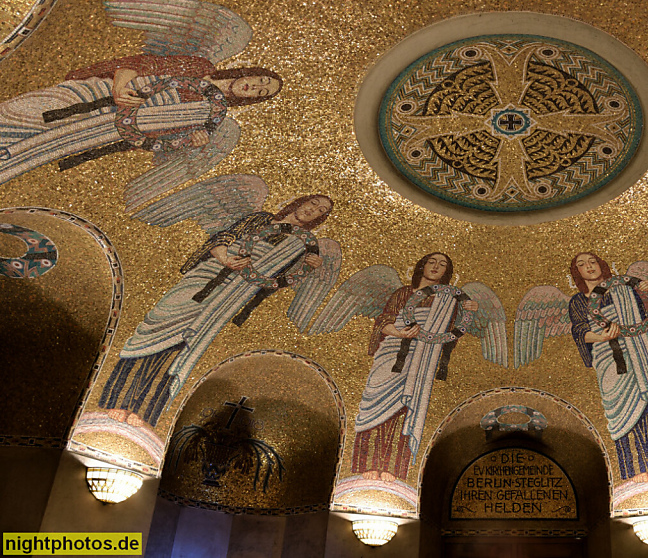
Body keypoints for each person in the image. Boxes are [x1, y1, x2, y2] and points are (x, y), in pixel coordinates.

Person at [98, 195, 332, 429]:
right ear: (301, 202)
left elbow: (273, 283)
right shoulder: (261, 220)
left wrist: (306, 266)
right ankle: (117, 400)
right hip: (205, 279)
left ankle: (146, 411)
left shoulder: (300, 245)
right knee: (152, 330)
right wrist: (226, 259)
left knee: (185, 347)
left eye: (321, 211)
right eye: (313, 203)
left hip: (229, 299)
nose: (313, 210)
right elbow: (221, 239)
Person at [0, 54, 281, 185]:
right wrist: (121, 85)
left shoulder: (210, 116)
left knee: (43, 143)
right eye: (260, 80)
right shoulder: (200, 67)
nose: (256, 86)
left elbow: (155, 141)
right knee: (26, 112)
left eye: (262, 92)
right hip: (101, 93)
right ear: (249, 72)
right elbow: (144, 63)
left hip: (105, 129)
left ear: (252, 99)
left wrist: (191, 141)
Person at [352, 253, 478, 481]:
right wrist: (400, 333)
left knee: (406, 406)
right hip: (391, 353)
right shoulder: (403, 293)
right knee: (374, 404)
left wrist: (466, 310)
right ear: (422, 266)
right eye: (432, 262)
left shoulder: (448, 301)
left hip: (422, 359)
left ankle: (392, 468)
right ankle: (368, 464)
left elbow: (451, 334)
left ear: (446, 274)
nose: (436, 267)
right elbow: (384, 321)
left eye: (442, 265)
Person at [568, 252, 648, 484]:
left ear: (601, 265)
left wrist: (647, 291)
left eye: (592, 262)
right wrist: (600, 337)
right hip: (607, 357)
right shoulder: (578, 301)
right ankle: (633, 470)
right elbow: (579, 331)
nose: (589, 267)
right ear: (577, 273)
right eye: (582, 265)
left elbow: (647, 317)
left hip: (639, 351)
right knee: (620, 410)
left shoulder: (625, 289)